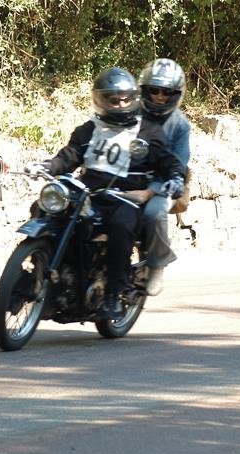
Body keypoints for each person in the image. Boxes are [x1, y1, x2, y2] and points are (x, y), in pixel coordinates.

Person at [37, 67, 186, 320]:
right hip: (88, 194)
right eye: (113, 99)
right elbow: (69, 155)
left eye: (125, 99)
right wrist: (48, 166)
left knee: (121, 225)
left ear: (134, 98)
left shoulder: (148, 131)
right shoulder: (89, 129)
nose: (120, 104)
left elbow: (169, 161)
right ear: (100, 99)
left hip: (125, 198)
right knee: (45, 209)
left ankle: (114, 294)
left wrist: (175, 177)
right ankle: (44, 279)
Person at [136, 58, 192, 296]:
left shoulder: (180, 125)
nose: (159, 96)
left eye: (167, 92)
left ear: (176, 94)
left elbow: (179, 162)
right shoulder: (130, 112)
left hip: (163, 182)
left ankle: (157, 264)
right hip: (128, 176)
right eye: (154, 90)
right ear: (144, 90)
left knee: (153, 212)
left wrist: (168, 184)